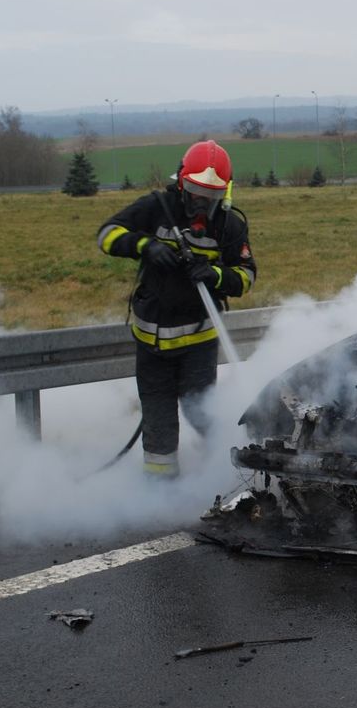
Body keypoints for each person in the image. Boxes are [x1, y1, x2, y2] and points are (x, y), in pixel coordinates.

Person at [96, 140, 257, 478]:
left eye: (210, 196)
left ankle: (228, 475)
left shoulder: (230, 226)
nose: (201, 202)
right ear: (182, 183)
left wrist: (214, 274)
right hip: (152, 344)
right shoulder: (157, 208)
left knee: (203, 414)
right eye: (195, 192)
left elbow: (245, 277)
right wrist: (144, 246)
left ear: (224, 194)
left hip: (198, 344)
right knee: (158, 419)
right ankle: (161, 490)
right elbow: (107, 235)